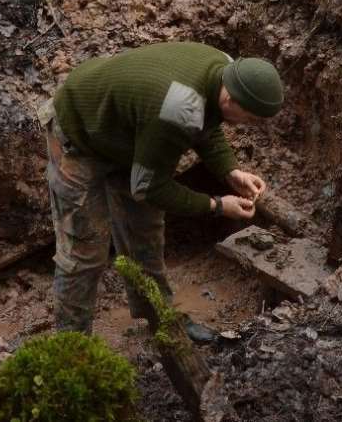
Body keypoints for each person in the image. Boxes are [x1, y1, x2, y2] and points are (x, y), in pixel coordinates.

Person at [40, 41, 285, 339]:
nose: (249, 125)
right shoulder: (179, 107)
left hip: (129, 133)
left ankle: (162, 321)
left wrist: (230, 171)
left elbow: (206, 125)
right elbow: (148, 188)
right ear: (231, 98)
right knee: (85, 249)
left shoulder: (226, 68)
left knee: (145, 233)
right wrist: (217, 205)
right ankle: (72, 345)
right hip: (78, 132)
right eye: (250, 118)